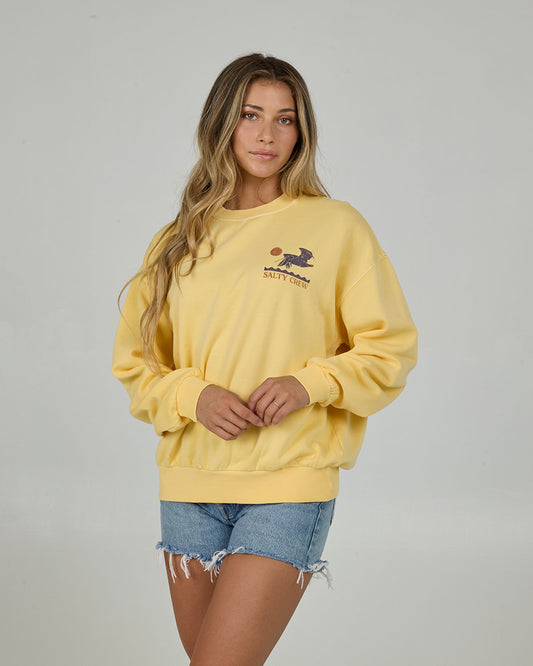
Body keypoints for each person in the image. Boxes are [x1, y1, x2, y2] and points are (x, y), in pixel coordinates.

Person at [112, 53, 417, 665]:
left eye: (285, 119)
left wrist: (311, 384)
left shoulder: (335, 227)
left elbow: (391, 349)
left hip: (287, 485)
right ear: (222, 123)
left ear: (301, 132)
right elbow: (136, 364)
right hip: (189, 490)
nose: (266, 135)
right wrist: (192, 396)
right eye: (250, 115)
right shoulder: (176, 241)